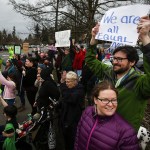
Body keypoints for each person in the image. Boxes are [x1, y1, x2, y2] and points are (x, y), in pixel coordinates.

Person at [85, 16, 150, 131]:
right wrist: (93, 39)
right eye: (114, 58)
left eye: (120, 59)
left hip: (124, 137)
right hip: (102, 129)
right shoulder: (107, 72)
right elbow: (90, 60)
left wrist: (145, 38)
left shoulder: (140, 83)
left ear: (132, 62)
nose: (115, 62)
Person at [74, 80, 139, 150]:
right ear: (95, 100)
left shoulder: (126, 133)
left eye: (114, 100)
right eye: (105, 100)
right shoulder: (87, 112)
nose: (110, 104)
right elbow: (78, 138)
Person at [59, 71, 85, 150]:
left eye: (68, 81)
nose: (66, 83)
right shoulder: (70, 89)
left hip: (72, 121)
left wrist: (62, 86)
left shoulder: (79, 90)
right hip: (66, 119)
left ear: (75, 81)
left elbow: (70, 98)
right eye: (66, 81)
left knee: (72, 141)